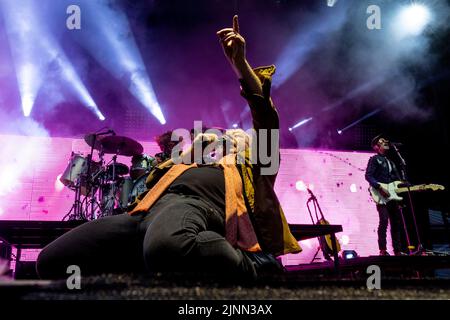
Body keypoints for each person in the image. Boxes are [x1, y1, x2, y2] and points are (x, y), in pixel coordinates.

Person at [36, 15, 301, 280]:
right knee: (53, 260)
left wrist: (240, 65)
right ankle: (166, 261)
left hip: (196, 207)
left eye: (234, 138)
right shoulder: (183, 163)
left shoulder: (254, 167)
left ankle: (253, 267)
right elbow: (162, 170)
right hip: (143, 214)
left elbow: (266, 117)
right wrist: (194, 149)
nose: (223, 139)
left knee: (168, 246)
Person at [365, 134, 406, 256]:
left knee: (396, 221)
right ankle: (382, 250)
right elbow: (368, 176)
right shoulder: (374, 159)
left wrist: (408, 185)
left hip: (392, 196)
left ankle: (397, 250)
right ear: (376, 147)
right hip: (381, 195)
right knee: (384, 220)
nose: (385, 142)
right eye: (382, 141)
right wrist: (379, 187)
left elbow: (398, 180)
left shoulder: (391, 162)